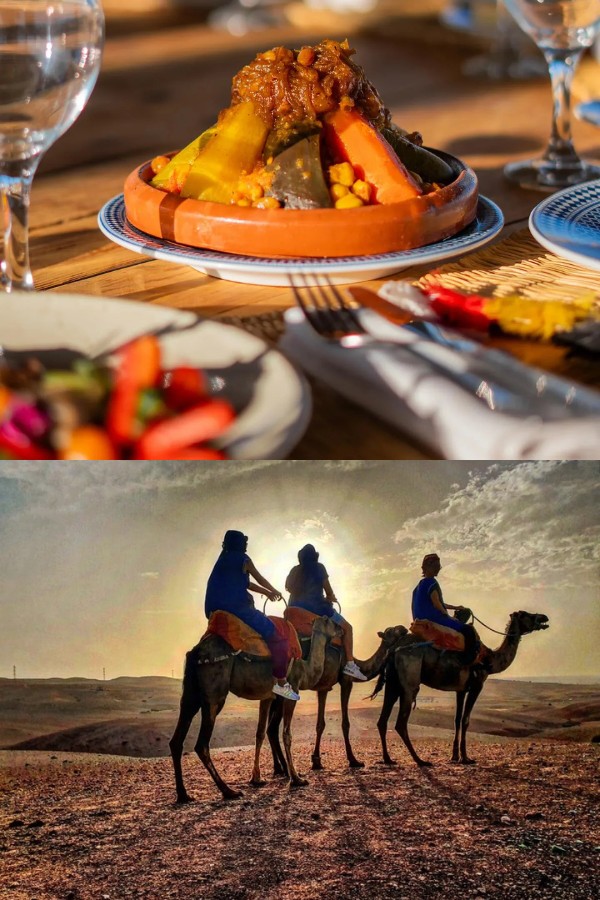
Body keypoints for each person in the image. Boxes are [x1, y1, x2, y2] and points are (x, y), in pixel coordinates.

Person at [205, 530, 300, 701]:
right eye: (244, 543)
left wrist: (266, 593)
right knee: (278, 638)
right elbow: (259, 578)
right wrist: (273, 590)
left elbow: (246, 583)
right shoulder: (244, 559)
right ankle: (281, 683)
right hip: (239, 608)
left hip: (215, 609)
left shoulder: (222, 561)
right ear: (240, 544)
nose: (246, 545)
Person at [285, 544, 367, 681]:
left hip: (292, 610)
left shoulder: (294, 570)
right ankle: (350, 665)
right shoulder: (319, 567)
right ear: (315, 556)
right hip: (316, 610)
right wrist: (330, 598)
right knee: (348, 628)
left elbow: (288, 587)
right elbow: (329, 591)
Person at [411, 552, 478, 658]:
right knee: (468, 631)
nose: (438, 568)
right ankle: (467, 659)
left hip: (418, 620)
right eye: (436, 566)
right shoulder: (431, 582)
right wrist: (448, 616)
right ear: (429, 567)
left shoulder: (418, 586)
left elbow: (439, 603)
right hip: (434, 619)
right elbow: (437, 603)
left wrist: (455, 607)